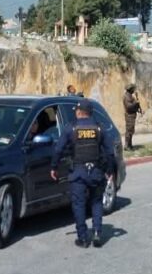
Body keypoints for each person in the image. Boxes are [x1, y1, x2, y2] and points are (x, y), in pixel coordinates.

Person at [51, 99, 116, 248]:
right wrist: (110, 170)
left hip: (78, 172)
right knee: (96, 202)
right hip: (96, 171)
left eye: (76, 111)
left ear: (79, 112)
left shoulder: (71, 128)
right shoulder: (99, 128)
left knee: (78, 204)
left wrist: (54, 167)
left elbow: (58, 149)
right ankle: (97, 232)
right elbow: (110, 152)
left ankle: (83, 238)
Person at [122, 84, 142, 150]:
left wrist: (137, 106)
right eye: (133, 89)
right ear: (130, 89)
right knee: (129, 131)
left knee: (131, 131)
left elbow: (134, 105)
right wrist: (135, 103)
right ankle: (126, 145)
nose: (134, 90)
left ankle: (130, 145)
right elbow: (128, 107)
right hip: (129, 116)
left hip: (132, 115)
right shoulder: (126, 96)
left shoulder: (131, 96)